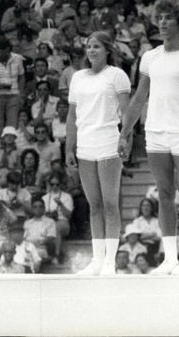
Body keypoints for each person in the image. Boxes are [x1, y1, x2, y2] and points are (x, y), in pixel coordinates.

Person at [120, 0, 179, 275]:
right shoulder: (149, 57)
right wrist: (124, 133)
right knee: (165, 195)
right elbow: (138, 98)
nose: (162, 22)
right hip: (155, 132)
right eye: (159, 18)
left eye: (168, 18)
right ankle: (170, 258)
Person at [65, 31, 131, 276]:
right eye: (88, 47)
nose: (91, 50)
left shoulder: (117, 75)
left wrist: (126, 139)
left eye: (96, 47)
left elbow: (127, 113)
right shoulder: (78, 77)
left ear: (107, 50)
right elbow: (72, 117)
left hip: (108, 144)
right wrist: (68, 147)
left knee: (110, 204)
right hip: (85, 145)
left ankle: (110, 262)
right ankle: (97, 259)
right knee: (94, 206)